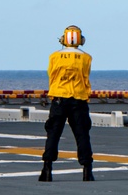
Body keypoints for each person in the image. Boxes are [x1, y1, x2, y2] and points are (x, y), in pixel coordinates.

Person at [39, 25, 94, 182]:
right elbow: (85, 77)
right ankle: (87, 170)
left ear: (63, 39)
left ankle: (47, 169)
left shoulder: (54, 57)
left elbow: (51, 75)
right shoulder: (86, 58)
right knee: (82, 135)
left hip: (59, 99)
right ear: (80, 40)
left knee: (53, 134)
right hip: (79, 100)